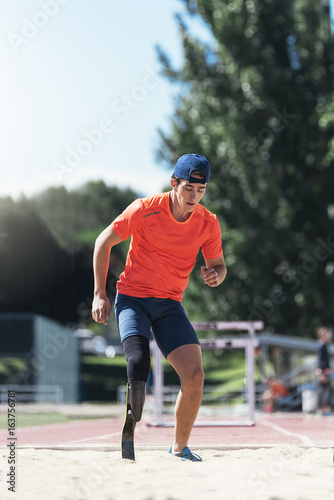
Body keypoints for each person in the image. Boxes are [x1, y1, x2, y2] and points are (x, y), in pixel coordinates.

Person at [92, 154, 227, 461]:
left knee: (194, 376)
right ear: (174, 183)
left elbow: (218, 265)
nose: (194, 197)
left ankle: (179, 449)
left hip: (169, 305)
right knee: (139, 363)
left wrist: (215, 275)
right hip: (133, 300)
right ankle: (129, 435)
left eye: (201, 190)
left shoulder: (208, 223)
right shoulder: (144, 209)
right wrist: (100, 293)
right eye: (189, 188)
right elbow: (103, 241)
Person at [315, 326, 333, 415]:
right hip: (323, 370)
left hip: (325, 370)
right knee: (323, 389)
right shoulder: (321, 346)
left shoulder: (325, 345)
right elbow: (321, 360)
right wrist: (322, 370)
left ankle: (324, 408)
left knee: (327, 389)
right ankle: (321, 408)